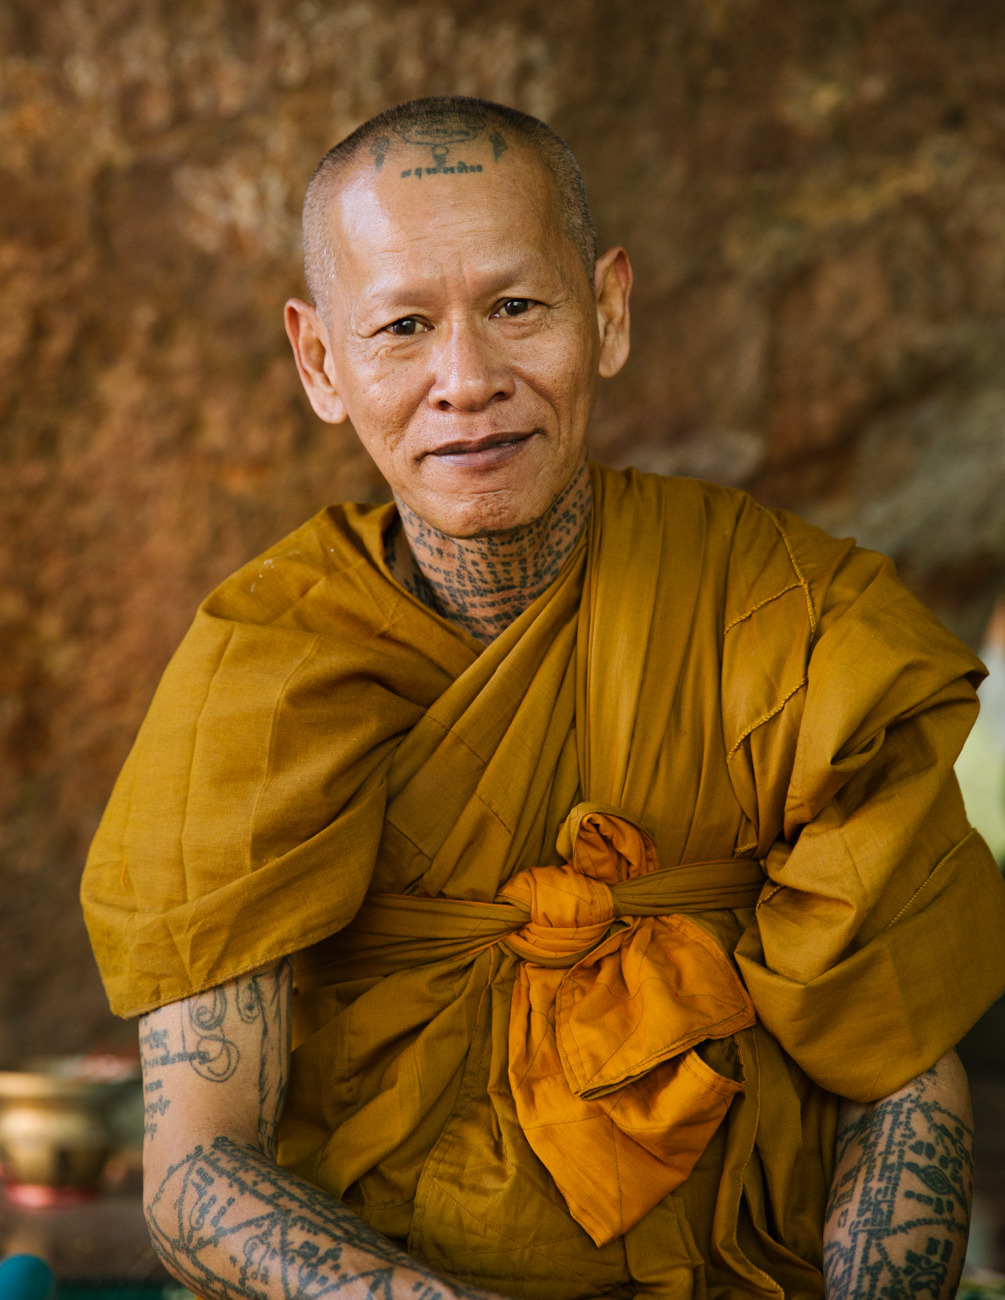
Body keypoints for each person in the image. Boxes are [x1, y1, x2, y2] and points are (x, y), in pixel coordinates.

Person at [81, 97, 1005, 1300]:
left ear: (608, 310)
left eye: (517, 307)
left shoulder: (783, 620)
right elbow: (197, 1170)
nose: (467, 380)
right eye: (403, 325)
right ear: (320, 361)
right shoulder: (264, 671)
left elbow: (901, 1076)